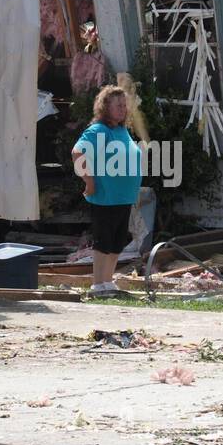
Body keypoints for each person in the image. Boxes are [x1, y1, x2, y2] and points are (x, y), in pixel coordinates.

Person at [71, 85, 143, 295]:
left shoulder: (121, 131)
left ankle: (108, 282)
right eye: (117, 105)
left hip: (123, 197)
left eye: (124, 105)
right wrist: (89, 182)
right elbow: (77, 153)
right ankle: (97, 284)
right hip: (105, 197)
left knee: (118, 241)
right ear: (105, 107)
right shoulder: (98, 130)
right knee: (104, 240)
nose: (122, 109)